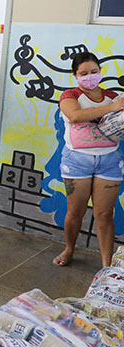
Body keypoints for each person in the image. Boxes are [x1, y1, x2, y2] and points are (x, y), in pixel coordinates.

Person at [53, 52, 124, 268]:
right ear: (75, 75)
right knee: (76, 211)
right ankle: (69, 249)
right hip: (77, 161)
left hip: (110, 161)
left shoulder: (113, 95)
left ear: (100, 72)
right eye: (84, 73)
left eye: (94, 72)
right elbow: (75, 116)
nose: (90, 76)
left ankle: (106, 266)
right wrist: (112, 108)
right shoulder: (70, 96)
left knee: (104, 214)